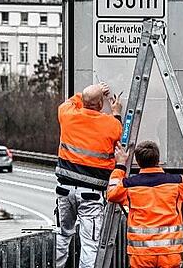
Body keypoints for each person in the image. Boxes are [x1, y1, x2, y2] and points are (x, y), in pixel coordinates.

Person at [106, 140, 183, 268]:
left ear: (137, 161)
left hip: (141, 254)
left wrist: (120, 165)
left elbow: (111, 193)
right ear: (158, 160)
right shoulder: (176, 183)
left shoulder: (128, 185)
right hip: (170, 253)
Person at [55, 82, 123, 268]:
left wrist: (92, 91)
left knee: (62, 234)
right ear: (101, 104)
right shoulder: (110, 124)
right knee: (90, 243)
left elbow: (71, 102)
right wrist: (116, 110)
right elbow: (119, 131)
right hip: (91, 195)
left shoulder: (67, 115)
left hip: (64, 191)